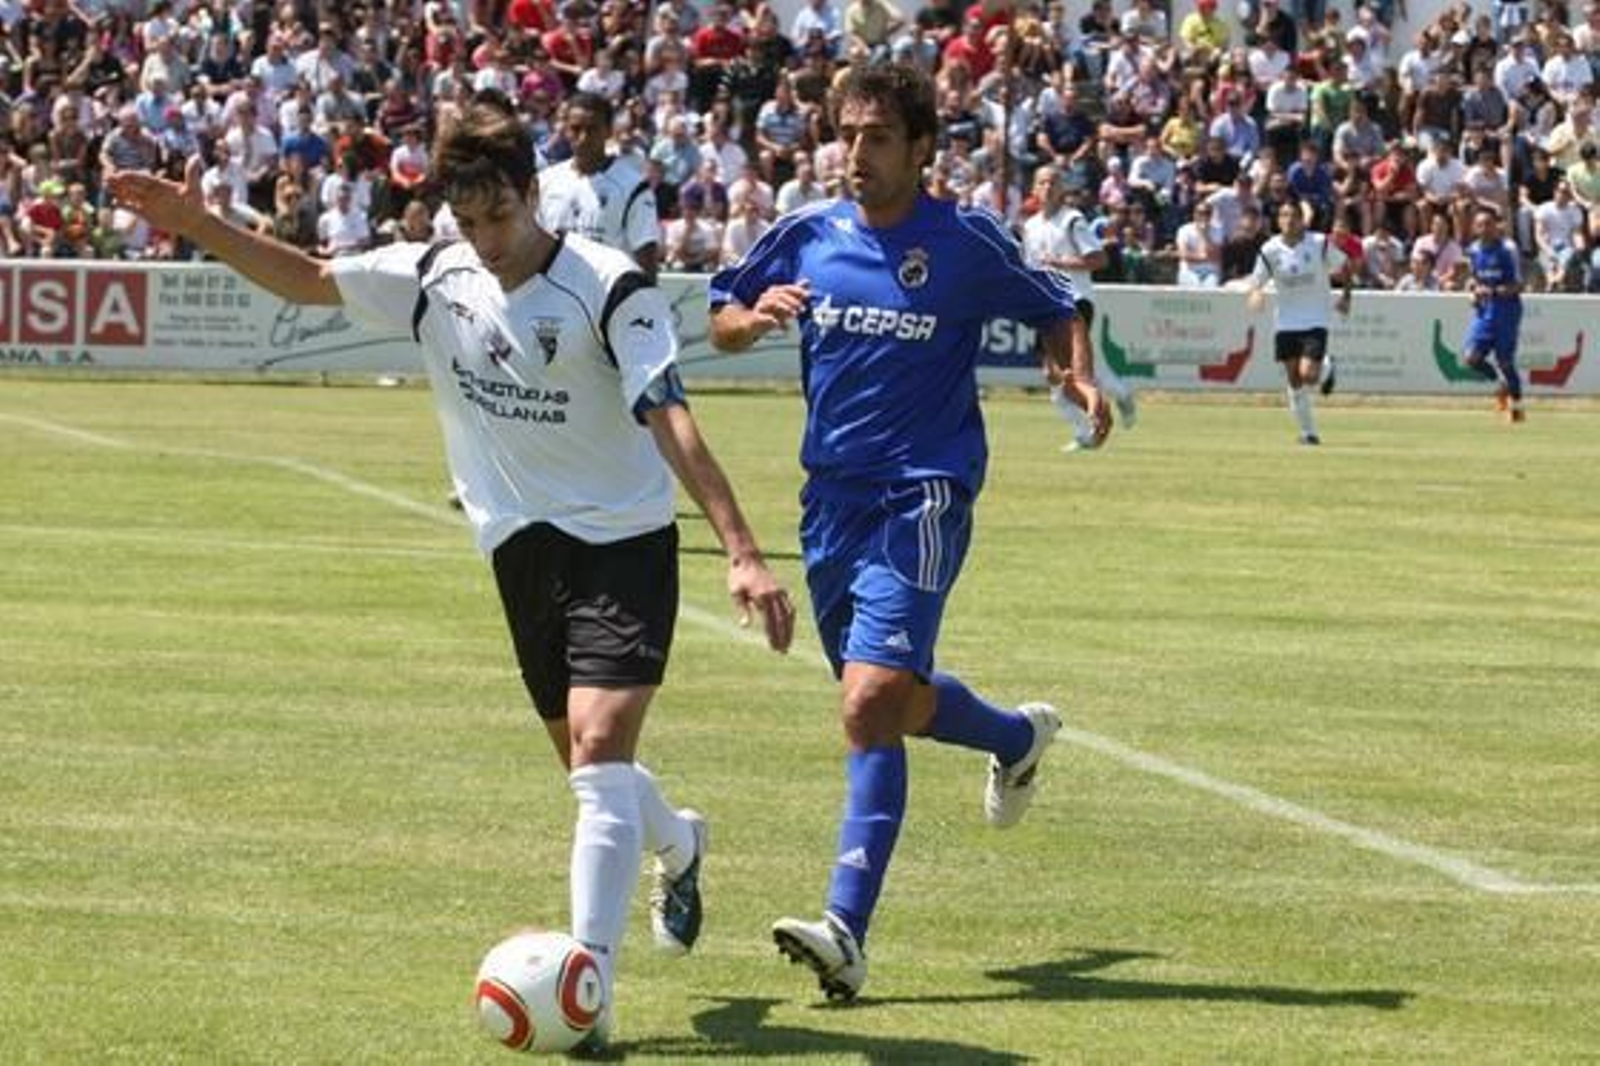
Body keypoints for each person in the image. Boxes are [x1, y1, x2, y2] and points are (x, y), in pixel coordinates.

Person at [107, 95, 797, 1051]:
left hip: (622, 543)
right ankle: (679, 841)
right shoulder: (438, 275)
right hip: (520, 551)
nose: (487, 240)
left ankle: (589, 989)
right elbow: (310, 279)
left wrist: (745, 553)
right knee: (591, 771)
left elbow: (669, 414)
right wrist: (201, 225)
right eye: (468, 221)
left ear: (531, 193)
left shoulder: (610, 288)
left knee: (600, 752)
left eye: (499, 216)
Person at [705, 63, 1109, 1003]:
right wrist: (751, 321)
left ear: (921, 148)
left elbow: (1057, 304)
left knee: (868, 700)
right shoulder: (806, 233)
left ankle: (845, 929)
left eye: (878, 137)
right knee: (885, 700)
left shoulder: (964, 240)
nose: (856, 153)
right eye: (847, 135)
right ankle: (1015, 736)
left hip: (924, 492)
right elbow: (720, 315)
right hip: (829, 506)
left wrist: (1078, 374)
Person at [1022, 165, 1140, 448]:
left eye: (1053, 182)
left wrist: (1060, 262)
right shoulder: (1030, 225)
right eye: (1042, 182)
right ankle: (1117, 396)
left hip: (1075, 299)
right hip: (1046, 304)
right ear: (1034, 189)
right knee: (1058, 372)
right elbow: (1030, 265)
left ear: (1062, 189)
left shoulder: (1072, 220)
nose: (1048, 187)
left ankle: (1087, 431)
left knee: (1067, 370)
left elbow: (1099, 259)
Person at [1246, 200, 1352, 445]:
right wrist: (1256, 293)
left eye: (1293, 215)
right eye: (1283, 215)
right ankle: (1308, 433)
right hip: (1285, 322)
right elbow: (1256, 280)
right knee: (1294, 379)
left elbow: (1345, 265)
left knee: (1308, 375)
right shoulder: (1270, 249)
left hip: (1315, 318)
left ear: (1302, 220)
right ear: (1278, 220)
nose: (1289, 220)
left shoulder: (1318, 243)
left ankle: (1327, 368)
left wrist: (1346, 296)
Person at [536, 91, 661, 280]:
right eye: (576, 129)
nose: (583, 138)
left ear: (608, 131)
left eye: (592, 129)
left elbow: (646, 258)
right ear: (566, 130)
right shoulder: (545, 182)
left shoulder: (633, 187)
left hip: (606, 294)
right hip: (555, 294)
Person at [1464, 208, 1527, 421]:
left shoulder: (1507, 249)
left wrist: (1493, 291)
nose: (1485, 229)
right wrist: (1473, 291)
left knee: (1505, 361)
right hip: (1484, 311)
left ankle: (1517, 408)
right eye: (1480, 225)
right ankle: (1500, 384)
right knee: (1471, 358)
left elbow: (1519, 284)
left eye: (1489, 224)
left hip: (1507, 310)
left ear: (1495, 226)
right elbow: (1473, 279)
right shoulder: (1473, 250)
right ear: (1475, 228)